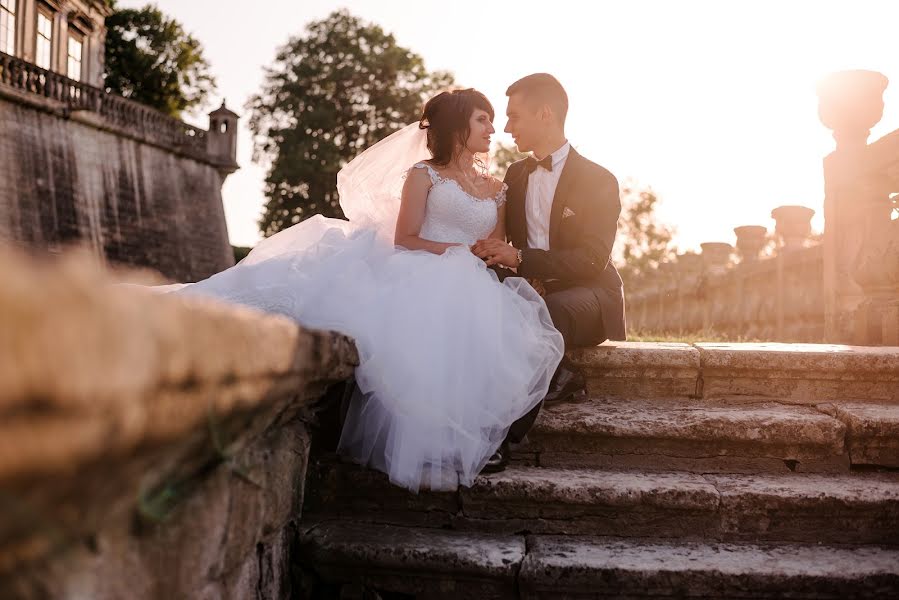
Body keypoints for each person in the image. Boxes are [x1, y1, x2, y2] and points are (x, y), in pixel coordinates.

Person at [171, 89, 564, 493]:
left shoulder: (498, 189)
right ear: (457, 125)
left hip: (474, 280)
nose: (493, 128)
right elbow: (405, 238)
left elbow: (494, 244)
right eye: (483, 119)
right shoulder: (423, 174)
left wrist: (486, 257)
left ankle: (461, 436)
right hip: (419, 268)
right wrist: (460, 251)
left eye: (492, 120)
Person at [472, 73, 626, 473]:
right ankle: (562, 375)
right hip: (530, 288)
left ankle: (499, 437)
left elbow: (593, 259)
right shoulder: (516, 175)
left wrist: (521, 259)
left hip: (590, 295)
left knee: (543, 315)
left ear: (545, 114)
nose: (505, 127)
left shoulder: (599, 180)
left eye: (514, 117)